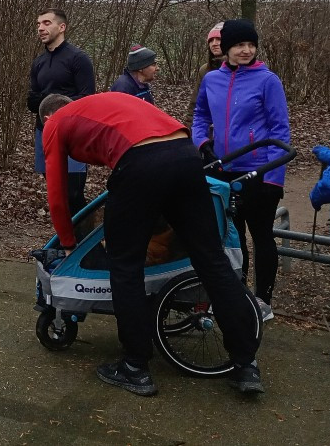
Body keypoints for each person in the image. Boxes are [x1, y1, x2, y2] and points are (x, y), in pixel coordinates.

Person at [39, 91, 265, 396]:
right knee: (212, 260)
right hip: (185, 156)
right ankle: (245, 364)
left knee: (125, 265)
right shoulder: (105, 103)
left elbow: (57, 193)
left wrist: (67, 242)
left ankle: (135, 367)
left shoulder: (55, 122)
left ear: (47, 119)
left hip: (140, 164)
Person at [192, 19, 290, 322]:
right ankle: (236, 294)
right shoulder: (212, 80)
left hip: (259, 171)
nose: (246, 50)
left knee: (261, 236)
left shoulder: (267, 80)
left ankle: (263, 300)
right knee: (230, 236)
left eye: (251, 45)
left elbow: (280, 131)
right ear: (227, 48)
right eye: (239, 45)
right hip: (222, 170)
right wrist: (202, 143)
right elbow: (199, 115)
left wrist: (273, 179)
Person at [27, 8, 95, 217]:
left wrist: (55, 104)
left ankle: (86, 246)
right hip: (45, 132)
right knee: (56, 195)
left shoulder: (78, 58)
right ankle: (63, 245)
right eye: (39, 24)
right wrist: (43, 103)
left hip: (72, 134)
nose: (40, 28)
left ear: (62, 27)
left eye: (46, 23)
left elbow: (87, 99)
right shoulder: (38, 62)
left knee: (73, 195)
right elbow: (32, 100)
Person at [188, 22, 225, 120]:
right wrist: (190, 129)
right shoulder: (205, 70)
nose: (214, 43)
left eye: (219, 39)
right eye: (211, 40)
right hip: (207, 128)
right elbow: (195, 103)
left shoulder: (239, 68)